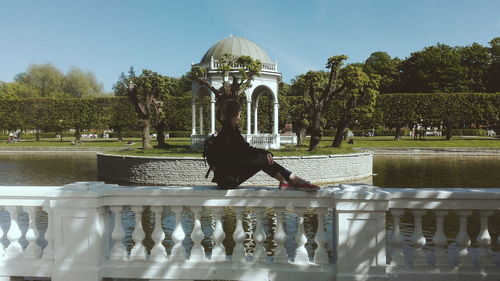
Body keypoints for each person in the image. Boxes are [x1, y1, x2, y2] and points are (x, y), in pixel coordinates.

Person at [212, 98, 320, 191]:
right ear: (236, 114)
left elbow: (243, 152)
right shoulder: (230, 132)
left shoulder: (226, 130)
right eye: (240, 112)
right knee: (263, 159)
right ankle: (296, 180)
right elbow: (247, 150)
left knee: (263, 159)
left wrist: (264, 155)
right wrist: (266, 153)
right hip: (228, 180)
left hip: (226, 178)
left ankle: (284, 181)